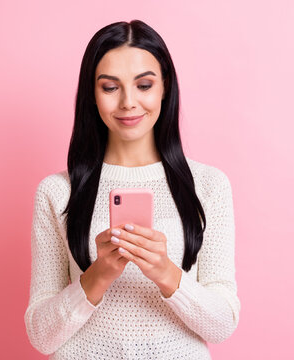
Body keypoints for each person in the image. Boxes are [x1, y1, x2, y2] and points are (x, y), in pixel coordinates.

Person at [24, 19, 240, 359]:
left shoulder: (209, 187)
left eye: (144, 85)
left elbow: (223, 324)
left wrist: (167, 273)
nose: (128, 102)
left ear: (165, 87)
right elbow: (40, 334)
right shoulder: (57, 192)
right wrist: (97, 277)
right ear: (92, 95)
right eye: (110, 87)